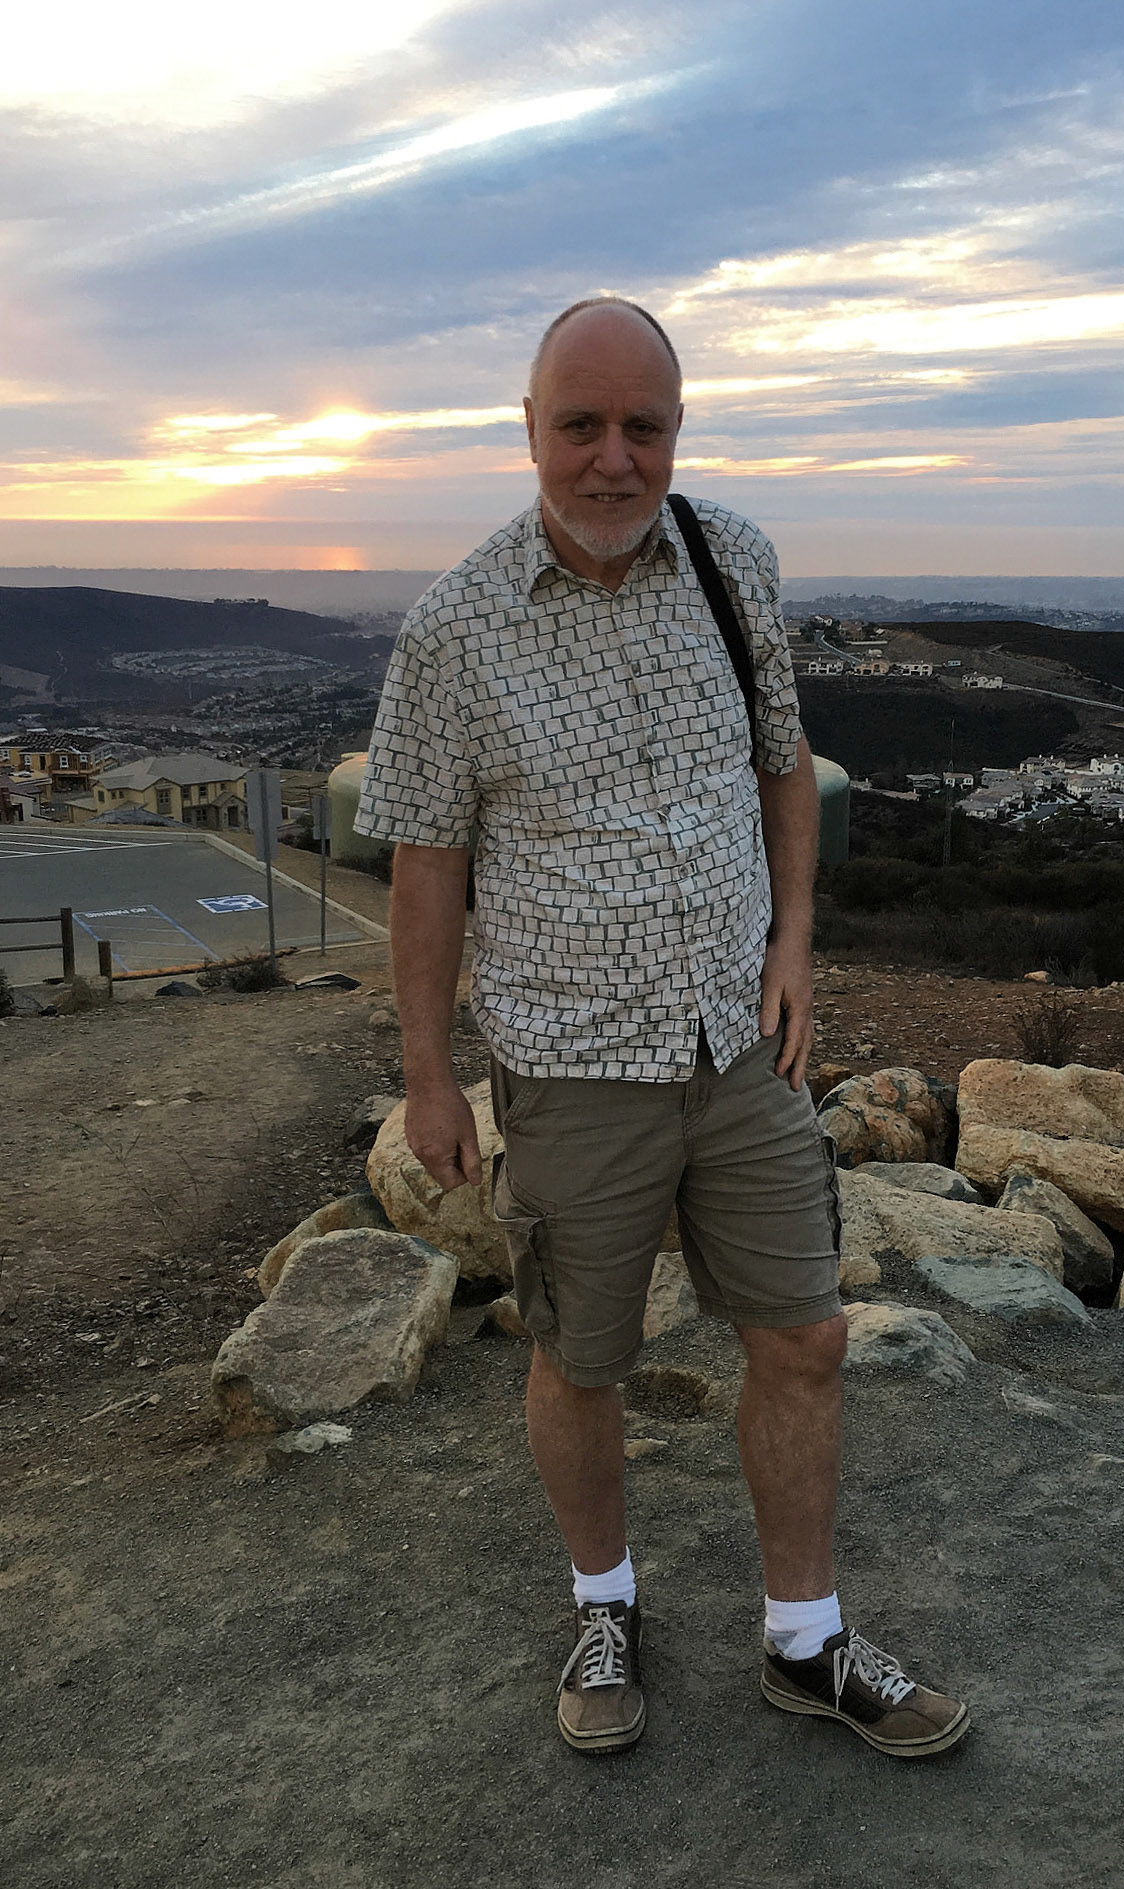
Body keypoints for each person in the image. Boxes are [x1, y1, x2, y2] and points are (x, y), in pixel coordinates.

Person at [355, 296, 970, 1760]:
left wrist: (798, 941)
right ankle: (606, 1602)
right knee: (580, 1356)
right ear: (531, 432)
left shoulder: (733, 558)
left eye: (644, 426)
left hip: (739, 1043)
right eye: (583, 425)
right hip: (573, 1064)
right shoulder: (456, 629)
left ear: (678, 431)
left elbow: (785, 760)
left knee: (807, 1338)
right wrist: (429, 1071)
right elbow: (425, 866)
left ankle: (805, 1641)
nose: (614, 459)